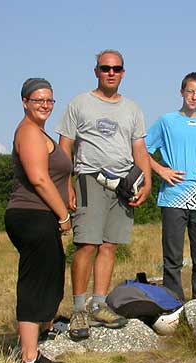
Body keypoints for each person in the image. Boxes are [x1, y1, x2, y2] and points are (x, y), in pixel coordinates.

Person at [56, 49, 151, 342]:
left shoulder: (132, 109)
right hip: (89, 180)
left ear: (123, 73)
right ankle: (78, 308)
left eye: (116, 68)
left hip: (122, 184)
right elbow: (64, 147)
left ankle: (99, 303)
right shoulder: (80, 104)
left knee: (109, 246)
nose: (111, 72)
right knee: (86, 244)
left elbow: (139, 150)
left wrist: (146, 182)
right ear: (96, 71)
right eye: (105, 68)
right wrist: (66, 183)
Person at [5, 78, 71, 363]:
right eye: (38, 100)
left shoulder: (39, 131)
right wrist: (63, 215)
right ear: (24, 103)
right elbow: (39, 179)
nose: (45, 105)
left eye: (49, 100)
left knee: (50, 274)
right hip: (31, 214)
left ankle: (41, 333)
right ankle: (29, 358)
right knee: (34, 281)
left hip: (40, 215)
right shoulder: (29, 132)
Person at [145, 72, 196, 301]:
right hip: (172, 197)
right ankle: (172, 305)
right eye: (190, 91)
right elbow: (141, 149)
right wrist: (161, 170)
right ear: (182, 92)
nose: (194, 97)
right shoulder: (166, 121)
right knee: (172, 259)